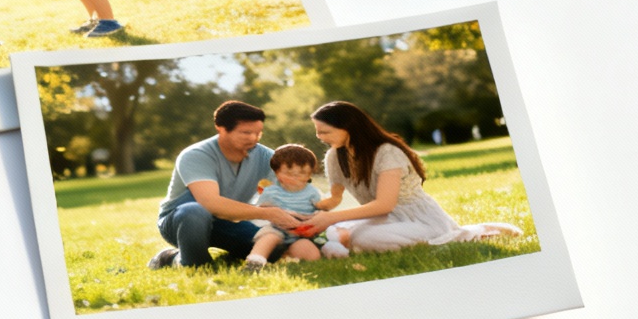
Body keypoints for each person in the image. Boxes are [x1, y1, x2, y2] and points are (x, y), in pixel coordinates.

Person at [299, 101, 523, 254]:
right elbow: (334, 198)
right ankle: (457, 234)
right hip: (380, 218)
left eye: (324, 131)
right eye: (317, 131)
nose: (319, 136)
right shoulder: (334, 157)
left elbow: (385, 204)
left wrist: (331, 218)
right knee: (339, 231)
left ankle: (469, 234)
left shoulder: (386, 152)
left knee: (362, 238)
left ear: (348, 127)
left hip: (418, 219)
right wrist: (309, 209)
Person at [148, 101, 309, 270]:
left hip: (228, 221)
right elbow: (210, 203)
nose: (253, 138)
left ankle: (231, 255)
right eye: (246, 133)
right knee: (195, 214)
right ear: (222, 129)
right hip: (184, 222)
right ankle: (173, 258)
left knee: (273, 249)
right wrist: (268, 213)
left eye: (258, 133)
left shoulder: (266, 157)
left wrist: (299, 216)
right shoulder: (196, 155)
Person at [243, 143, 329, 267]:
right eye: (289, 174)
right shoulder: (271, 191)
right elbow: (261, 210)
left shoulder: (313, 192)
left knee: (312, 256)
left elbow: (321, 211)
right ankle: (255, 262)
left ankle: (286, 255)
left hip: (300, 234)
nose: (295, 178)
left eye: (302, 173)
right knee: (269, 238)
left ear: (310, 174)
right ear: (277, 173)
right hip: (276, 228)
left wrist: (310, 219)